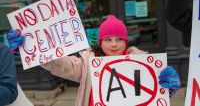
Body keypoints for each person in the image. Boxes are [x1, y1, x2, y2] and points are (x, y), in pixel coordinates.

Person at [7, 15, 180, 106]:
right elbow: (61, 65)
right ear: (100, 42)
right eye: (108, 40)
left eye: (119, 39)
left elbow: (154, 95)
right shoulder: (88, 63)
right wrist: (32, 48)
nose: (114, 45)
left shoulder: (142, 62)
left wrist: (167, 86)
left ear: (126, 42)